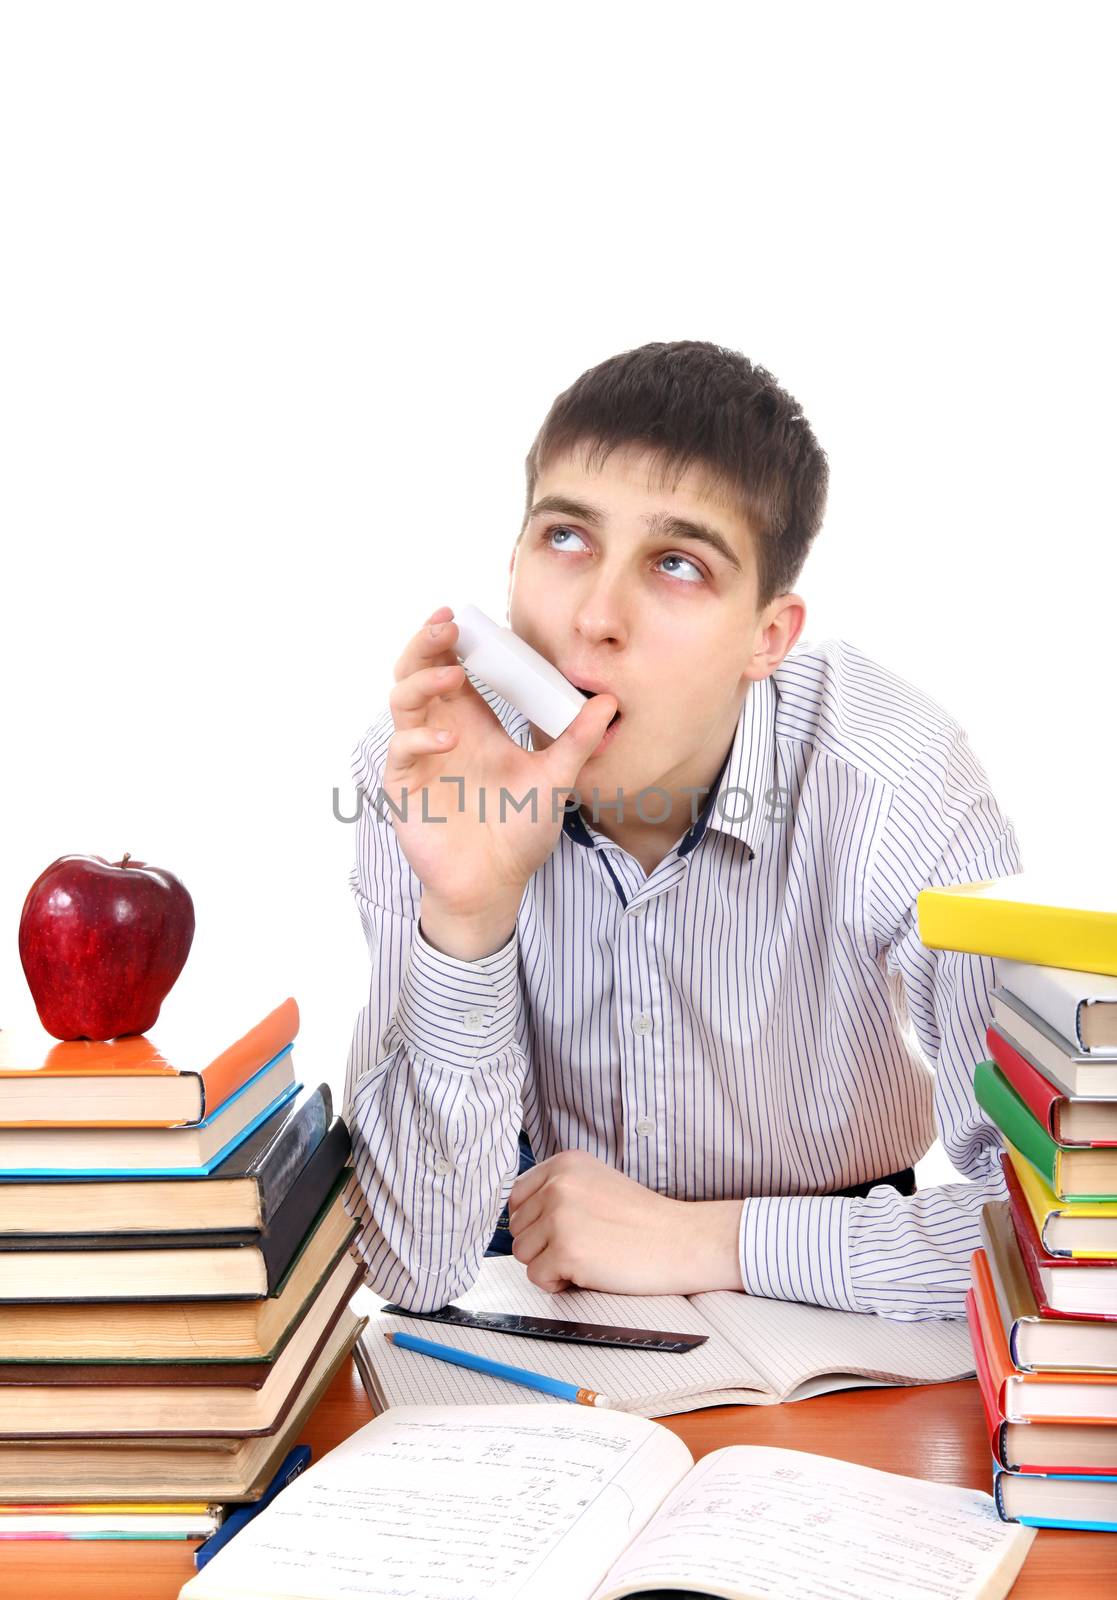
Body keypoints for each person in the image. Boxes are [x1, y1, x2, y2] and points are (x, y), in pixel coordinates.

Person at [341, 339, 1022, 1321]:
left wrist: (708, 1240)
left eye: (676, 563)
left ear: (767, 637)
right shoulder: (427, 761)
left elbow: (1059, 1233)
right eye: (566, 539)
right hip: (531, 1272)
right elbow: (408, 1267)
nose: (595, 618)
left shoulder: (892, 777)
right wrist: (469, 910)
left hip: (837, 1285)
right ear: (514, 562)